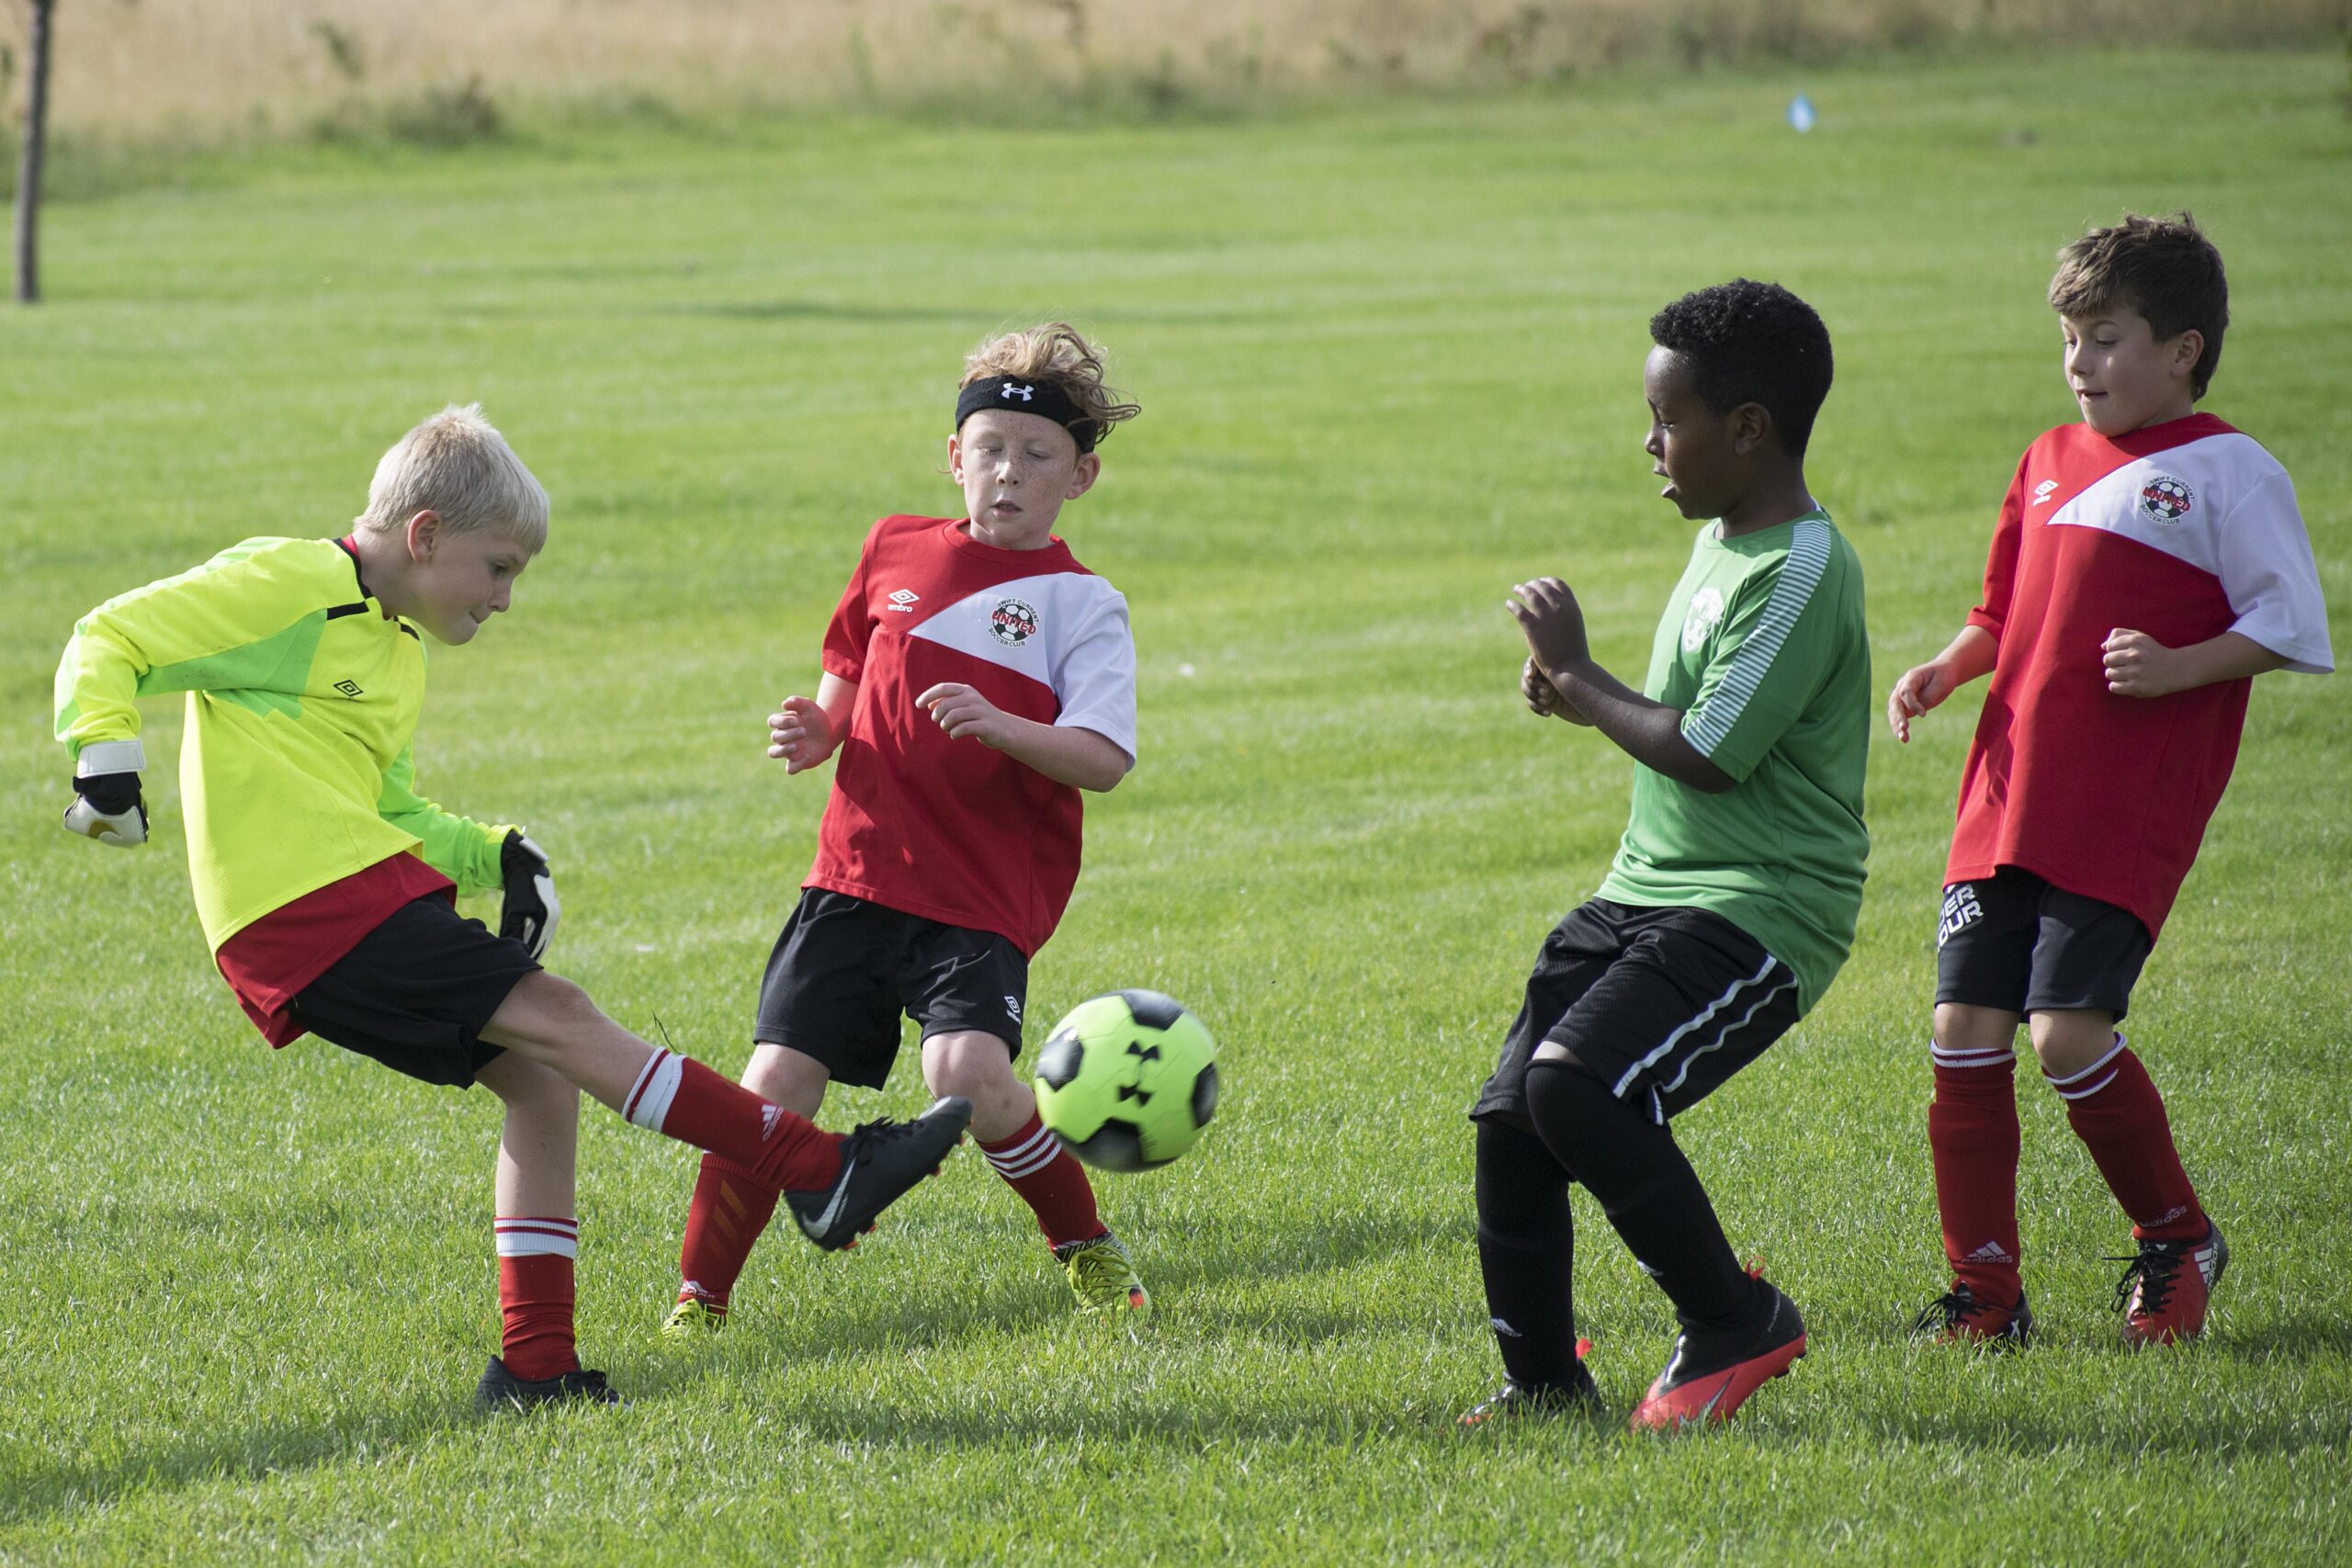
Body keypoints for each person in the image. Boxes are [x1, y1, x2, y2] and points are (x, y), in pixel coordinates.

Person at [53, 404, 970, 1410]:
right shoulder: (293, 583)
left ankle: (534, 1369)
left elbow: (387, 805)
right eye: (498, 569)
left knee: (538, 1077)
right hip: (307, 906)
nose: (504, 598)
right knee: (562, 1018)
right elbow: (113, 633)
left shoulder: (391, 648)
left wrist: (493, 854)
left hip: (352, 888)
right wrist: (105, 761)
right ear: (426, 535)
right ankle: (815, 1163)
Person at [1891, 213, 2332, 1348]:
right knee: (1961, 1029)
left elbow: (2287, 623)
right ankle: (1984, 1295)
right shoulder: (2042, 460)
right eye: (2069, 341)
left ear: (2182, 349)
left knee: (2064, 1038)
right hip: (2003, 797)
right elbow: (2000, 611)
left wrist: (2182, 664)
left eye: (2104, 338)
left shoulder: (2229, 470)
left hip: (2114, 812)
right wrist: (1948, 665)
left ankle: (2176, 1237)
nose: (2077, 364)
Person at [662, 324, 1150, 1337]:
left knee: (965, 1074)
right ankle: (699, 1298)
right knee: (771, 1087)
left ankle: (1083, 1244)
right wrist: (819, 730)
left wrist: (1003, 723)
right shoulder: (894, 547)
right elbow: (848, 672)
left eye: (1036, 456)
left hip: (978, 896)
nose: (1007, 474)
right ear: (953, 457)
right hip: (851, 875)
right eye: (989, 451)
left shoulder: (1082, 605)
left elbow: (1101, 759)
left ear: (1082, 476)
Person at [1464, 279, 1870, 1429]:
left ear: (1746, 428)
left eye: (1668, 418)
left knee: (1576, 1087)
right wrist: (1575, 694)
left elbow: (1707, 755)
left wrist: (1583, 679)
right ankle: (1544, 1389)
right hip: (1643, 890)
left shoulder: (1798, 572)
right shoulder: (1721, 540)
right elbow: (1681, 717)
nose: (1650, 442)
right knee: (1512, 1120)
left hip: (1762, 908)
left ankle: (1737, 1320)